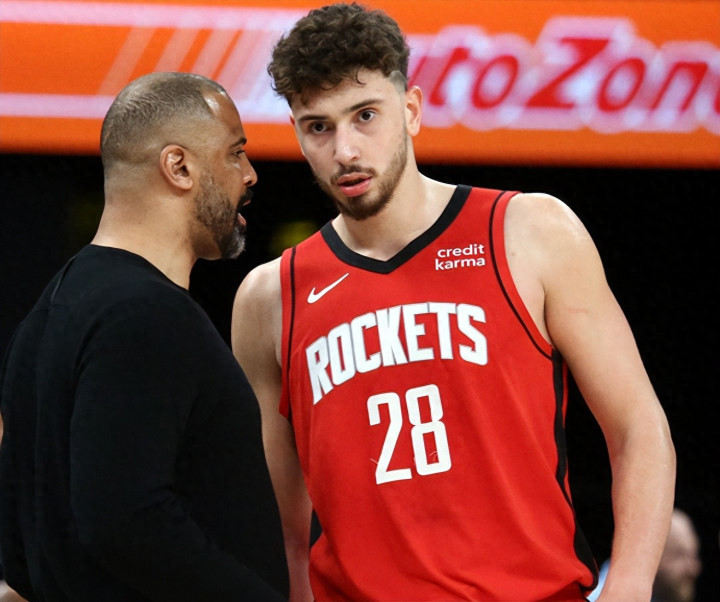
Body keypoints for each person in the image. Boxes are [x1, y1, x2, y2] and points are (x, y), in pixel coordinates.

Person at [230, 3, 676, 600]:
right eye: (319, 127)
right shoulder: (269, 297)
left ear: (411, 110)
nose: (345, 150)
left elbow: (638, 427)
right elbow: (282, 530)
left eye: (366, 116)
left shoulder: (529, 231)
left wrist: (631, 586)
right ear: (297, 134)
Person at [0, 72, 289, 601]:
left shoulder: (40, 323)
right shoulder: (147, 316)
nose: (249, 174)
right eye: (234, 152)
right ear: (179, 167)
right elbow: (124, 520)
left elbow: (18, 563)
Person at [589, 508, 702, 602]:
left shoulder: (658, 596)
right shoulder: (592, 597)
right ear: (649, 551)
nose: (694, 569)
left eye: (693, 556)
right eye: (679, 555)